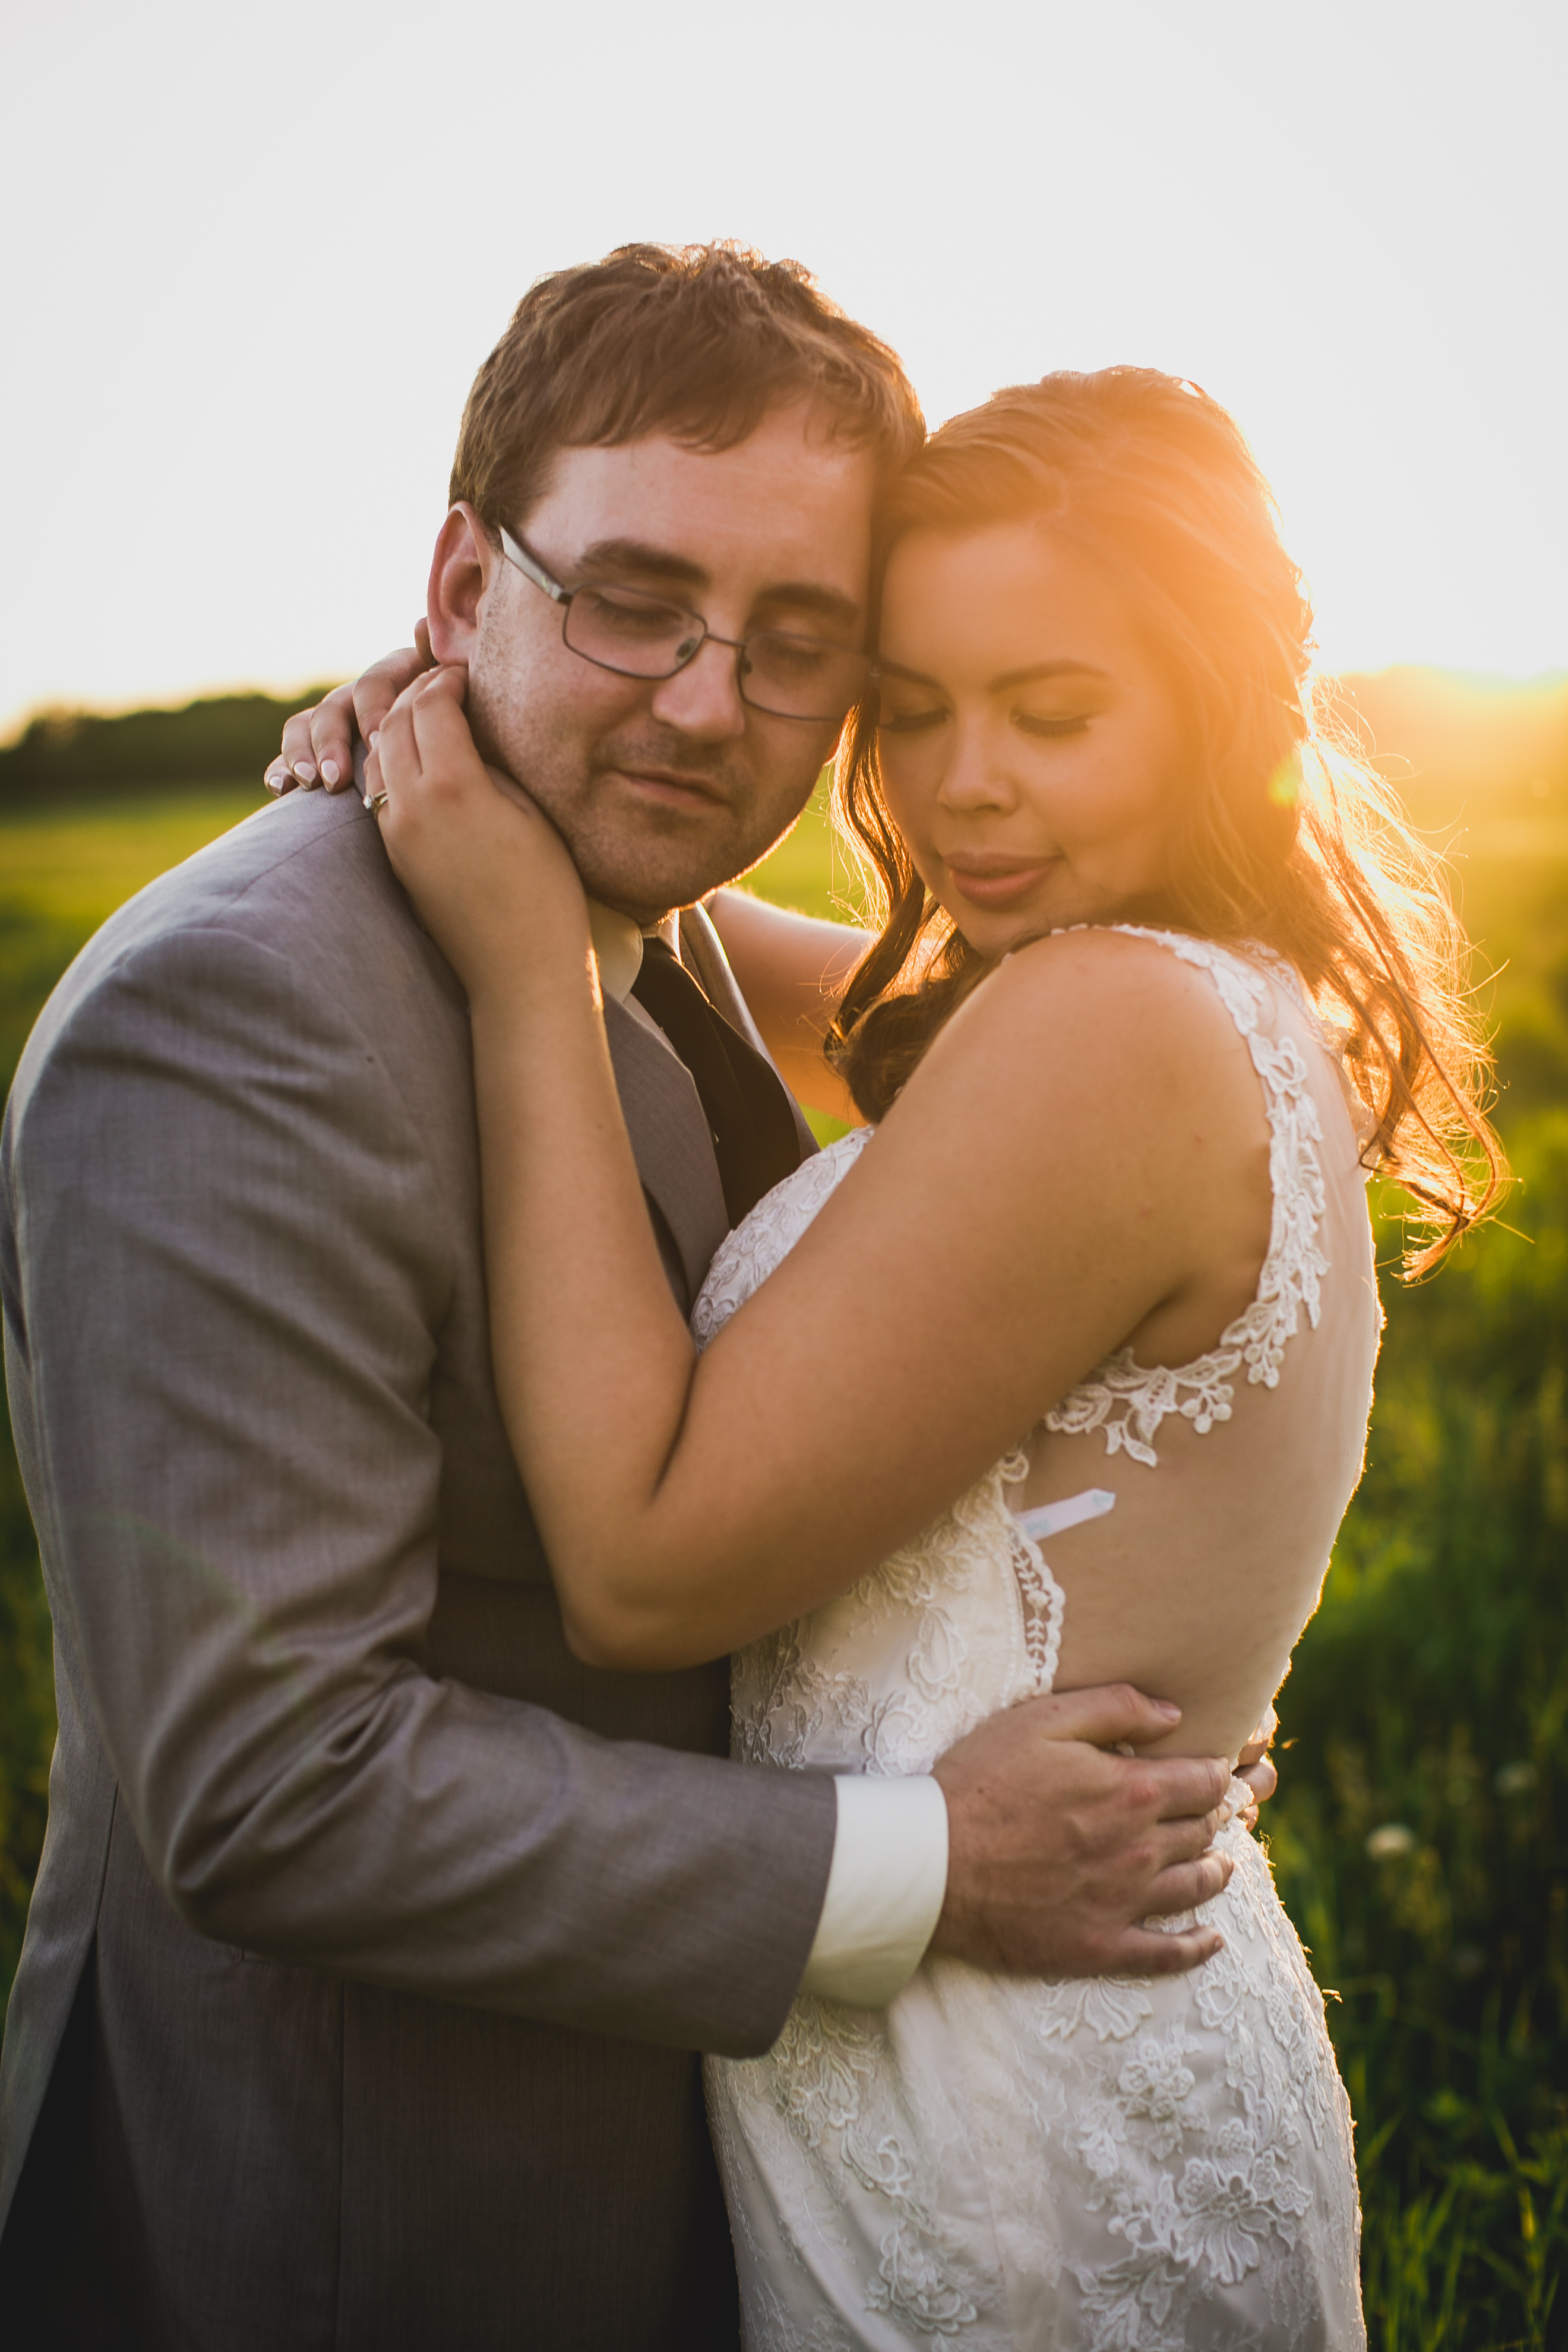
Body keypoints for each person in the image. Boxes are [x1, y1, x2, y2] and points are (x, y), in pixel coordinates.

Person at [0, 249, 1267, 2352]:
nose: (704, 701)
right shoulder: (233, 1018)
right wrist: (931, 1860)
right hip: (379, 2214)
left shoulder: (628, 899)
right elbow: (271, 1783)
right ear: (459, 576)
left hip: (726, 2154)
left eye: (798, 644)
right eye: (627, 598)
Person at [349, 364, 1501, 2347]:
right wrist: (496, 727)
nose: (963, 781)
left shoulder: (1105, 1035)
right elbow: (701, 938)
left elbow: (644, 1564)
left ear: (1218, 711)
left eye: (1052, 714)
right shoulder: (1168, 1000)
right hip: (1028, 2051)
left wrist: (524, 971)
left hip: (1006, 2134)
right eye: (916, 706)